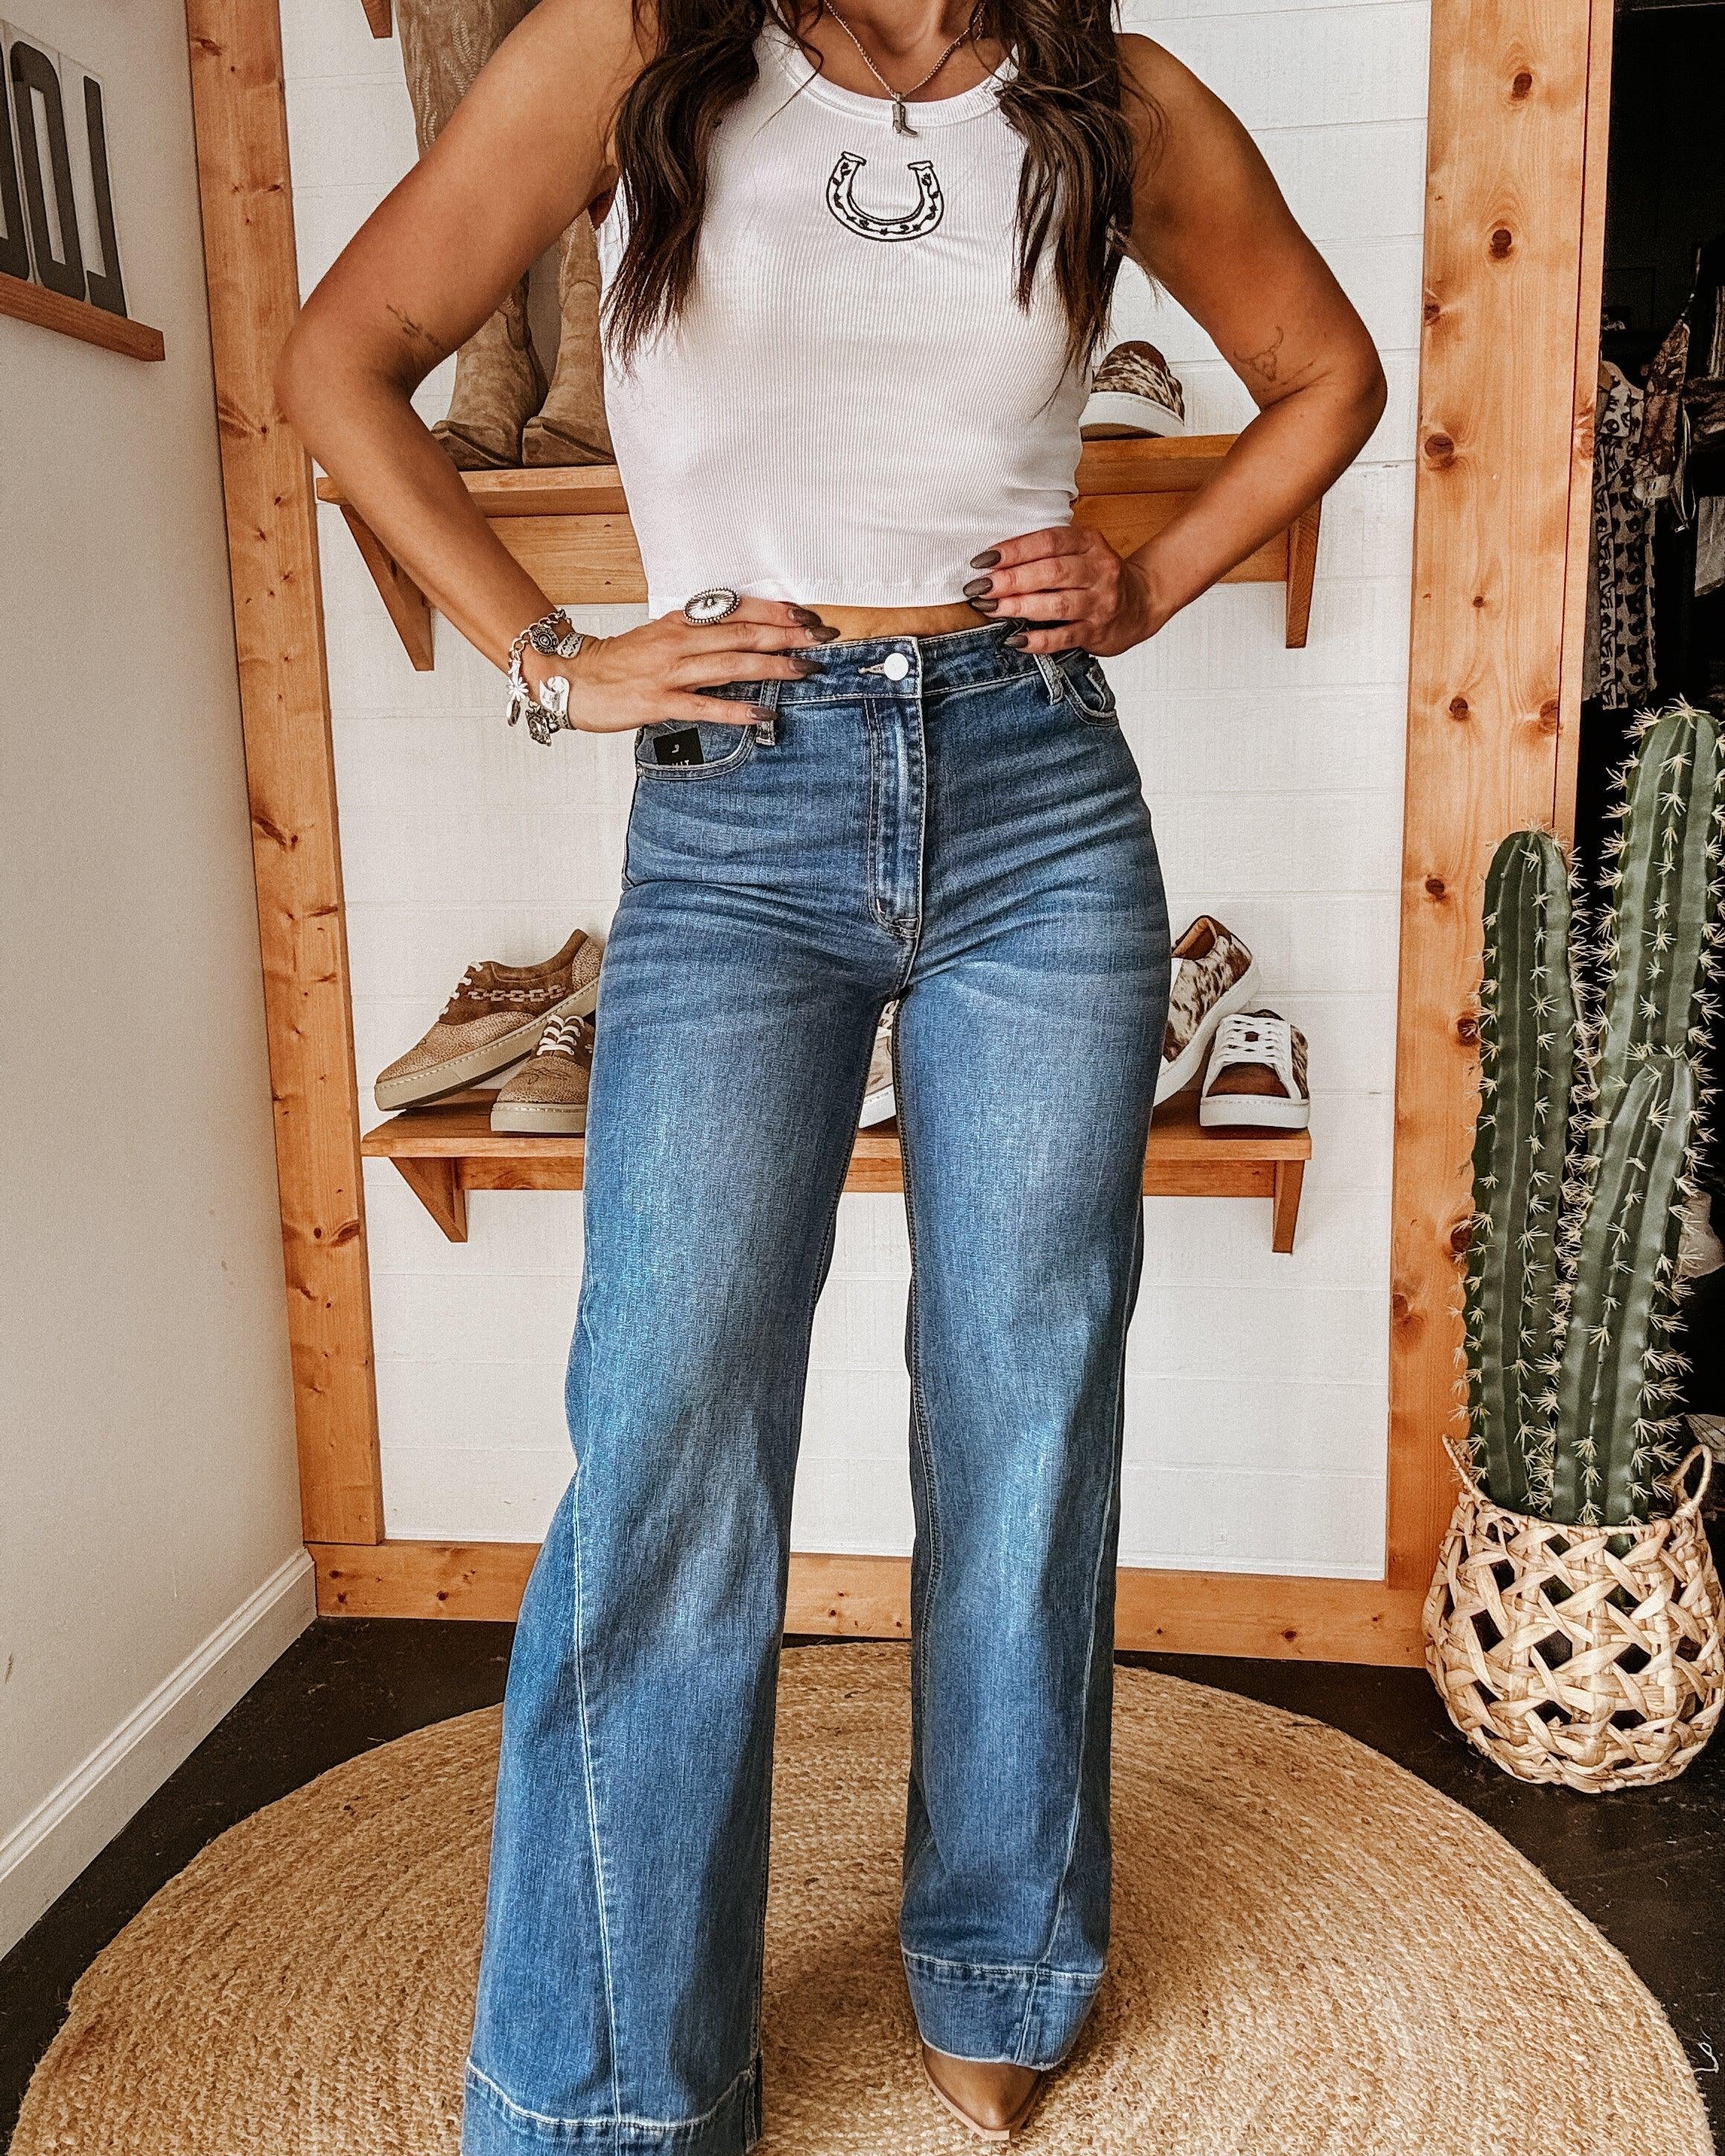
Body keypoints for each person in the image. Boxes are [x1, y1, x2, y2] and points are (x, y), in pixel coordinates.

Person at [276, 2, 1384, 2146]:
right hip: (738, 807)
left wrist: (1149, 579)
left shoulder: (1110, 93)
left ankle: (1001, 1958)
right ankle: (615, 2085)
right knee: (668, 1425)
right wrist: (552, 660)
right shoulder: (633, 45)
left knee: (1025, 1404)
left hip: (1038, 802)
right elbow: (344, 356)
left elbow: (1325, 375)